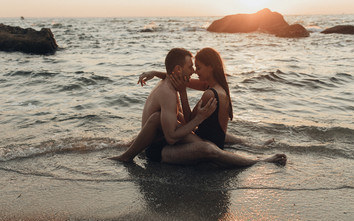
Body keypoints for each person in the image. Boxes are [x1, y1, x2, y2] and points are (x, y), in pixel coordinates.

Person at [110, 48, 286, 167]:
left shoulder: (176, 85)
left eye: (197, 67)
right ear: (179, 70)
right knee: (208, 147)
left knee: (221, 137)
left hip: (167, 139)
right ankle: (259, 161)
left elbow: (187, 85)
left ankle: (253, 145)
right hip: (159, 150)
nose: (194, 71)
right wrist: (199, 118)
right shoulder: (169, 92)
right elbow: (172, 137)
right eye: (191, 67)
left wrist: (155, 73)